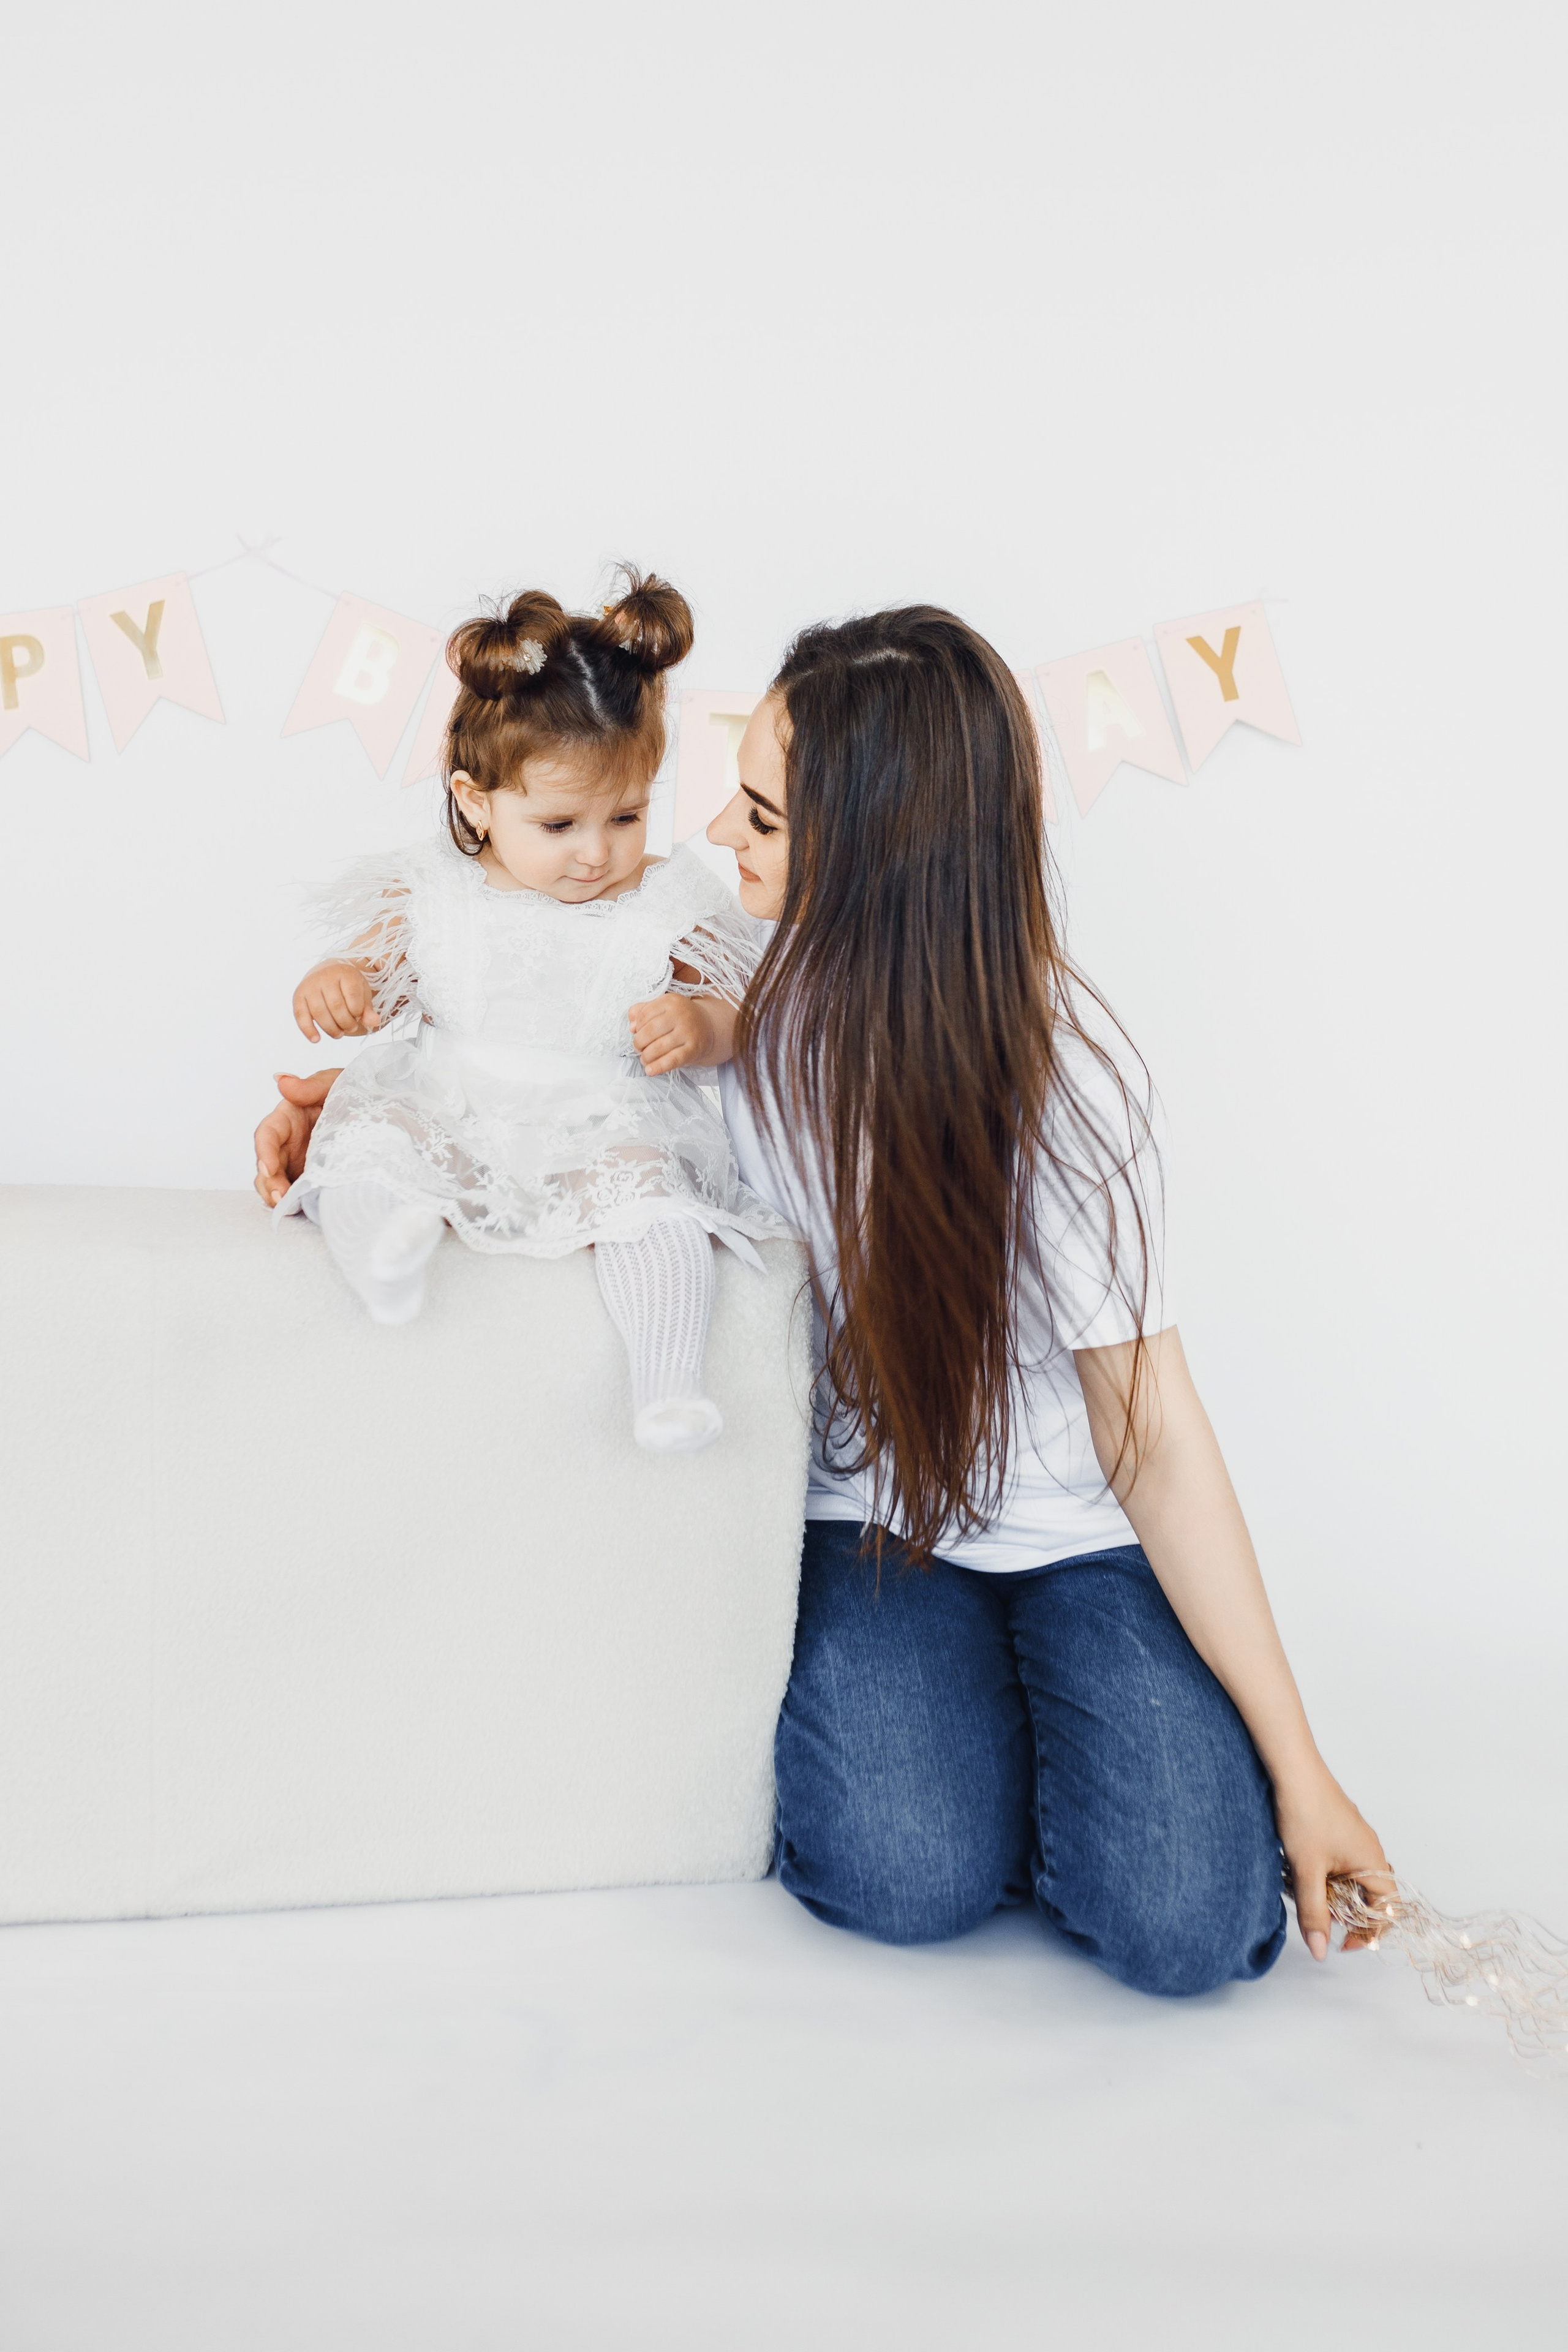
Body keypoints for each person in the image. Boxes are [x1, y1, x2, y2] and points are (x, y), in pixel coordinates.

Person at [258, 599, 1390, 1996]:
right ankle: (996, 1742)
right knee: (895, 1879)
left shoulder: (1060, 1082)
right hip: (869, 1528)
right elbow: (544, 1116)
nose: (712, 840)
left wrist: (1300, 1770)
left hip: (1070, 1544)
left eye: (760, 817)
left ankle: (1078, 1740)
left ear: (875, 852)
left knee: (1191, 1932)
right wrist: (347, 1110)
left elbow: (1149, 1433)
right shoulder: (729, 1019)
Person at [265, 568, 786, 1454]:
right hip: (452, 1103)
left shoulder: (662, 902)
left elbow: (742, 1015)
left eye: (626, 816)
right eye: (559, 826)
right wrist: (339, 983)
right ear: (478, 799)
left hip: (599, 1118)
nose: (596, 854)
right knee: (373, 1142)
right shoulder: (437, 892)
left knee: (650, 1199)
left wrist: (700, 1030)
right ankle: (384, 1252)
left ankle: (668, 1383)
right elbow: (373, 968)